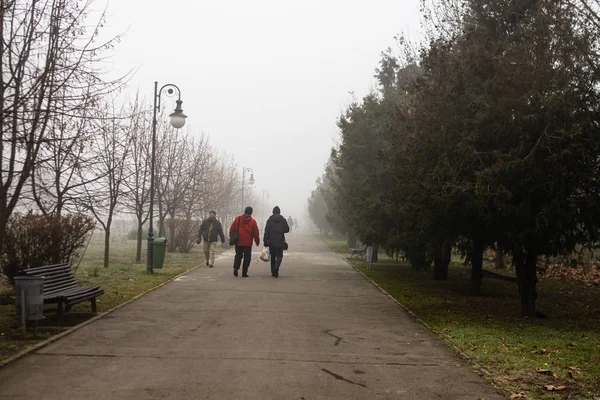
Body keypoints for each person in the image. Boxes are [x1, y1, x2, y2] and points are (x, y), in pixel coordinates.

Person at [229, 206, 260, 277]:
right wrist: (257, 241)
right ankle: (244, 272)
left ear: (244, 211)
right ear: (251, 212)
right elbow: (256, 232)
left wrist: (232, 237)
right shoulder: (253, 221)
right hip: (248, 243)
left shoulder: (238, 219)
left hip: (238, 241)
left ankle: (236, 268)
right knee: (247, 258)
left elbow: (232, 228)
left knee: (238, 255)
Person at [264, 206, 290, 278]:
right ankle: (276, 267)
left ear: (273, 212)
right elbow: (287, 229)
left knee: (272, 257)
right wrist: (281, 230)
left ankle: (273, 271)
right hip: (280, 240)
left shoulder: (269, 220)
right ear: (279, 212)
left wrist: (265, 241)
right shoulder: (283, 220)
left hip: (271, 241)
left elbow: (266, 231)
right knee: (279, 256)